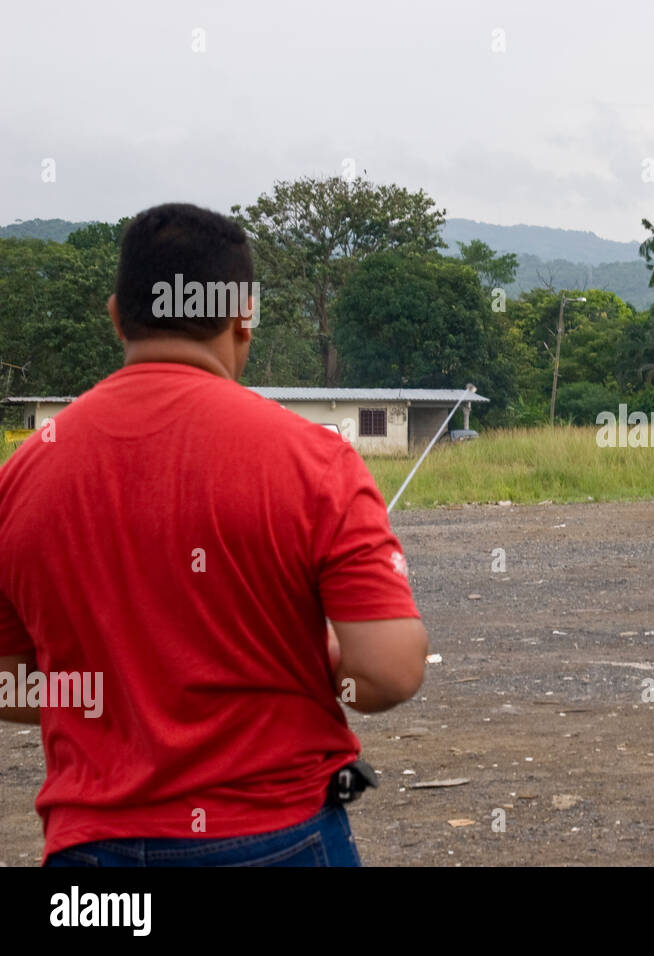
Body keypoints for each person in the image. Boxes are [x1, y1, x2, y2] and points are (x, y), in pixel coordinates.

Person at [0, 203, 428, 866]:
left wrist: (104, 687)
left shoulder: (22, 474)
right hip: (278, 836)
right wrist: (299, 667)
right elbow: (391, 670)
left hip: (92, 853)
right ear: (243, 319)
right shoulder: (312, 460)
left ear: (117, 316)